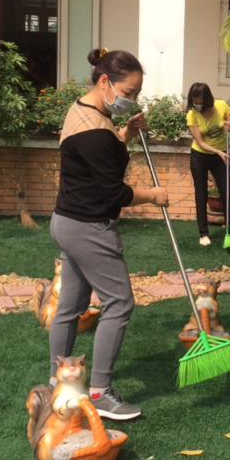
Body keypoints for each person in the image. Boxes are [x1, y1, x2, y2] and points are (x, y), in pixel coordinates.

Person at [48, 48, 169, 421]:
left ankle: (58, 383)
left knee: (70, 307)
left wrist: (126, 132)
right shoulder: (96, 133)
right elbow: (113, 193)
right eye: (128, 92)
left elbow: (98, 156)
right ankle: (100, 393)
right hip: (89, 228)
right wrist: (153, 196)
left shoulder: (84, 110)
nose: (130, 99)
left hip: (66, 221)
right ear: (105, 81)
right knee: (120, 302)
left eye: (136, 93)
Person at [186, 82, 230, 246]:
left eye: (200, 102)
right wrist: (218, 152)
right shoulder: (192, 114)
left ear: (207, 99)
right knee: (201, 194)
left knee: (227, 194)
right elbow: (200, 142)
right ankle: (204, 234)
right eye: (194, 102)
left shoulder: (221, 106)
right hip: (200, 155)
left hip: (220, 156)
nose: (197, 105)